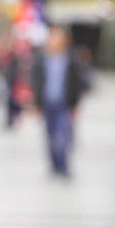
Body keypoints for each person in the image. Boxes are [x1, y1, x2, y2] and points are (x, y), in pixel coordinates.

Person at [31, 26, 86, 178]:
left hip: (64, 104)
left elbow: (77, 84)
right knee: (49, 135)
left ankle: (64, 164)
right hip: (48, 103)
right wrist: (36, 104)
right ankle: (54, 164)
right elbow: (36, 82)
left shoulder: (71, 59)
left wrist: (74, 105)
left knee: (64, 135)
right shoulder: (41, 59)